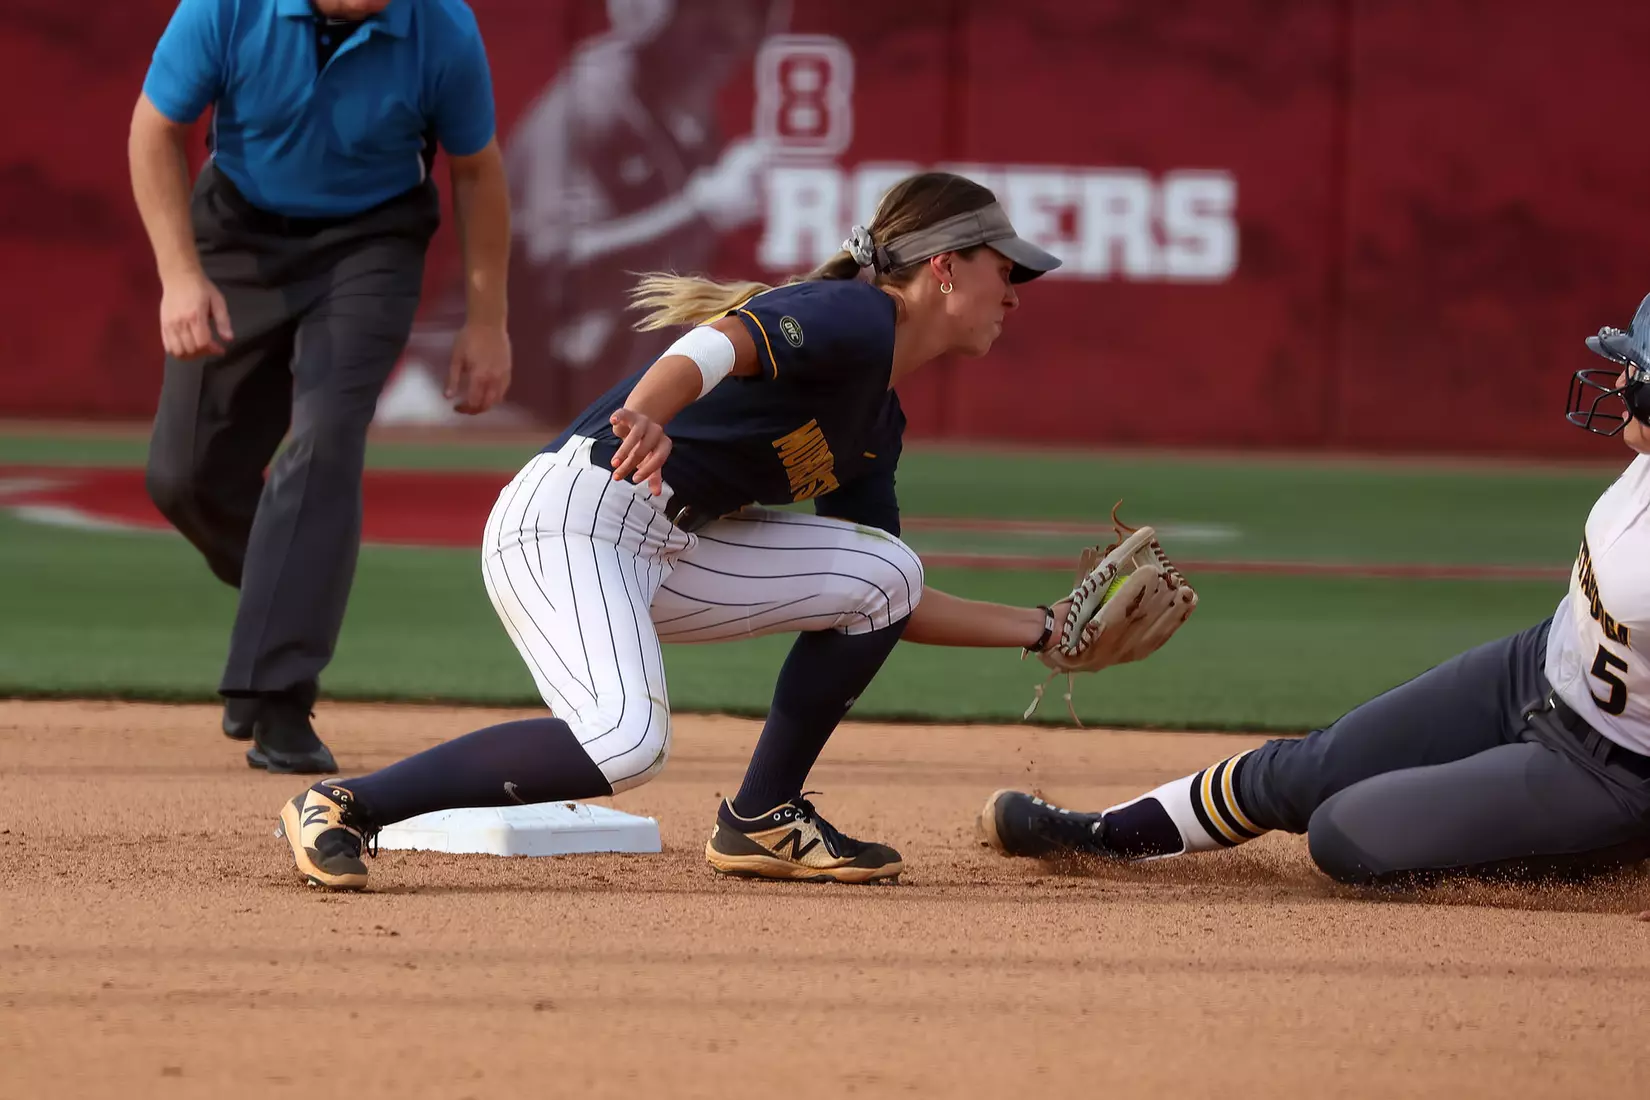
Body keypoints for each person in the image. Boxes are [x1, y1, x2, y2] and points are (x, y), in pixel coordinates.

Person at [277, 170, 1187, 891]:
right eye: (1005, 267)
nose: (1017, 292)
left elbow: (883, 593)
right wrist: (645, 411)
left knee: (885, 572)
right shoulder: (857, 313)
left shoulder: (877, 424)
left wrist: (1045, 630)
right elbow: (718, 341)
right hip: (575, 517)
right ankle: (347, 805)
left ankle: (762, 817)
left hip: (671, 550)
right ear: (944, 267)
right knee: (623, 742)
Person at [980, 292, 1650, 888]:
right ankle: (1104, 837)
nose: (1618, 379)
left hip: (1610, 772)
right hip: (1534, 666)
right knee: (1300, 774)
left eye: (1636, 372)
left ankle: (1613, 850)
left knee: (1347, 836)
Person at [128, 0, 513, 772]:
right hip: (237, 233)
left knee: (325, 440)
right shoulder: (227, 9)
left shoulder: (440, 25)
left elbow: (475, 170)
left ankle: (280, 698)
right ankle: (288, 591)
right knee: (184, 476)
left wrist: (487, 321)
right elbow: (153, 130)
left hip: (369, 245)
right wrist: (180, 277)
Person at [382, 0, 783, 428]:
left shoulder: (689, 116)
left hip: (545, 413)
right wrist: (704, 211)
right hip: (461, 400)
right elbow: (553, 267)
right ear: (655, 17)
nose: (732, 43)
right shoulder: (591, 101)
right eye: (710, 36)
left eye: (743, 32)